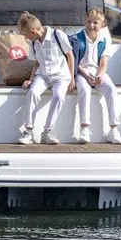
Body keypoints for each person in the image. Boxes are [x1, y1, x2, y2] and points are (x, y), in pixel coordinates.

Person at [17, 11, 75, 145]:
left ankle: (47, 131)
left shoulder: (58, 35)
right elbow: (37, 62)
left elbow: (70, 56)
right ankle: (29, 131)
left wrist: (72, 78)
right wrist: (31, 79)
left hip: (61, 76)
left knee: (59, 96)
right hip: (43, 76)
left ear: (33, 32)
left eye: (26, 35)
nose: (26, 38)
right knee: (32, 93)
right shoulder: (34, 43)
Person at [75, 8, 121, 144]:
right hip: (81, 72)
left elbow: (103, 64)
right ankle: (85, 129)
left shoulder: (104, 41)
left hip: (96, 72)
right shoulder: (76, 38)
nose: (91, 25)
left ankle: (113, 130)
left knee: (111, 89)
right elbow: (75, 63)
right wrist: (87, 76)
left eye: (95, 23)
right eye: (89, 22)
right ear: (84, 22)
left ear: (102, 25)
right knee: (84, 90)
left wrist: (99, 76)